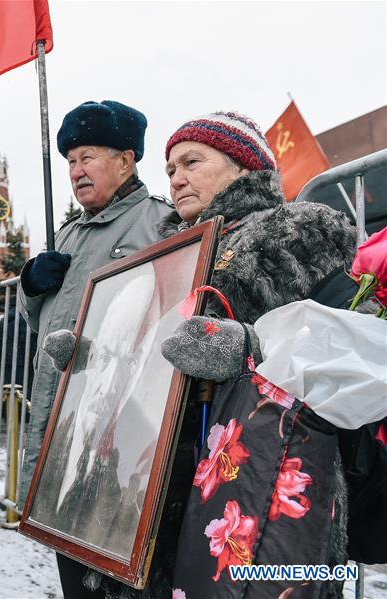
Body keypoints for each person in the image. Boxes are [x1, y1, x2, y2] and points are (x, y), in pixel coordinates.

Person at [156, 111, 355, 598]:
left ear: (243, 168)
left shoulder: (298, 231)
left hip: (263, 480)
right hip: (168, 485)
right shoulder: (167, 255)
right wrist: (93, 356)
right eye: (170, 170)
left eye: (192, 161)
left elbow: (346, 341)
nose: (177, 178)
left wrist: (247, 345)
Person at [13, 100, 173, 593]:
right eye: (70, 161)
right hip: (63, 425)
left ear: (126, 160)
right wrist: (31, 284)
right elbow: (39, 326)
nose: (76, 171)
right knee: (74, 570)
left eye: (87, 157)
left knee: (120, 571)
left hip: (119, 433)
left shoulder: (158, 223)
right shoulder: (67, 234)